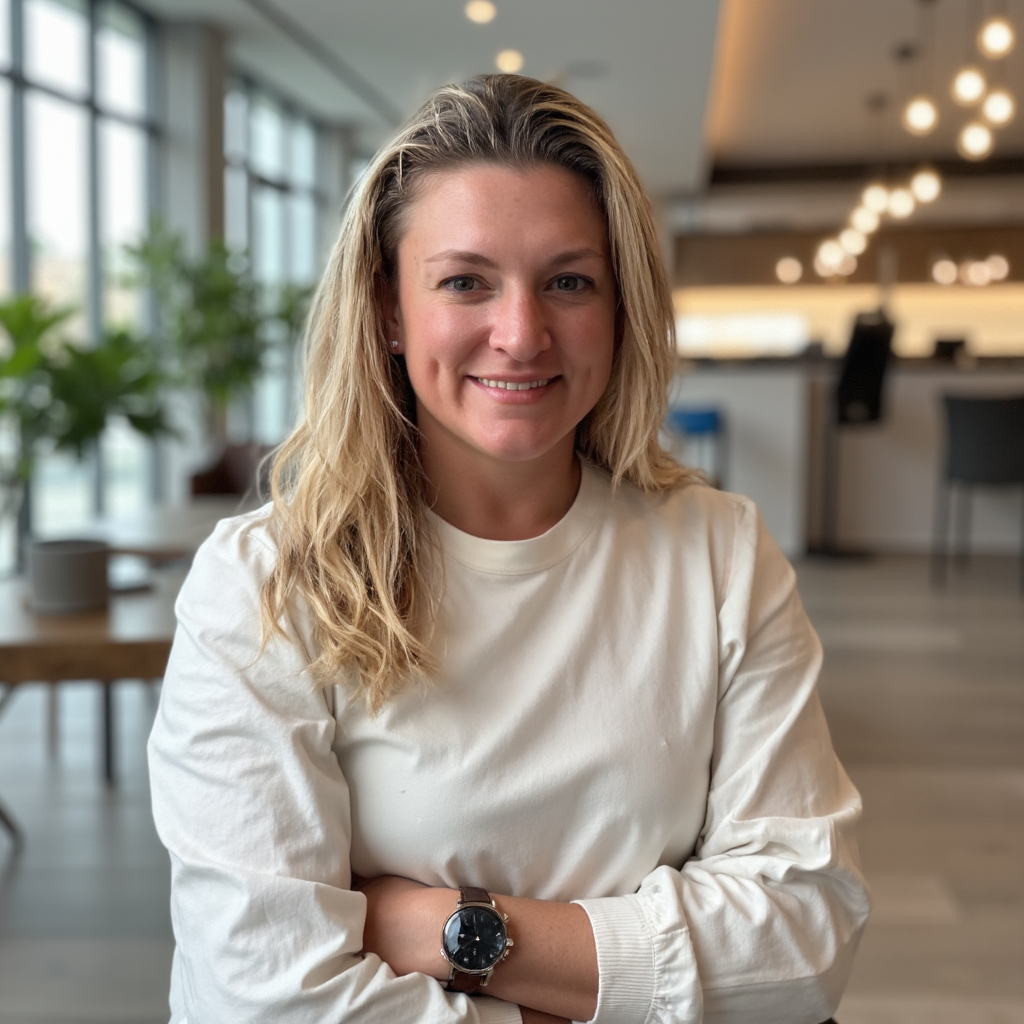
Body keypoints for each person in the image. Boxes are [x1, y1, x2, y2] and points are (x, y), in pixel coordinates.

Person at [148, 74, 870, 1024]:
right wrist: (620, 989)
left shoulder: (721, 556)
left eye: (569, 281)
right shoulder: (265, 585)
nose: (522, 335)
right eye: (465, 282)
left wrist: (445, 929)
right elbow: (262, 997)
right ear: (389, 310)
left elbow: (801, 938)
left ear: (620, 306)